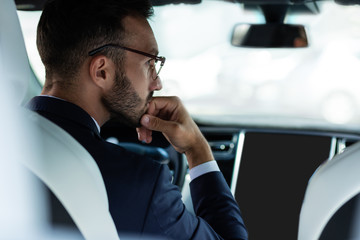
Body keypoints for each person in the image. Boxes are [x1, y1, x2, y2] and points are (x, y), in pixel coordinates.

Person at [26, 0, 248, 239]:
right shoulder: (140, 185)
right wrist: (197, 148)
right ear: (102, 71)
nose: (157, 82)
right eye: (150, 63)